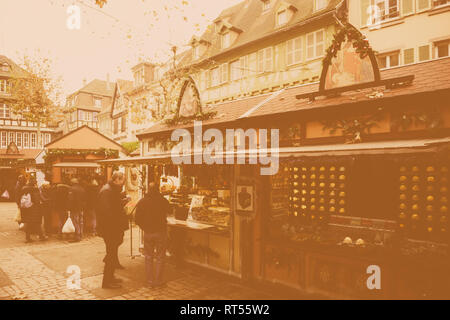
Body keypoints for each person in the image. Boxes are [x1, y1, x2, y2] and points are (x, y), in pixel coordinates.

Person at [96, 172, 130, 289]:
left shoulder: (111, 189)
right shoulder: (107, 191)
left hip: (112, 228)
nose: (123, 183)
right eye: (122, 181)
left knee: (112, 253)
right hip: (110, 229)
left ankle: (111, 277)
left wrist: (122, 201)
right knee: (111, 254)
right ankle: (107, 282)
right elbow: (107, 212)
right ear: (116, 180)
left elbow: (113, 206)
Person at [135, 181, 171, 288]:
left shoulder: (142, 201)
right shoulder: (163, 200)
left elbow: (137, 219)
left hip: (148, 233)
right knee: (160, 257)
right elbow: (170, 210)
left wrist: (144, 228)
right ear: (158, 189)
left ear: (148, 189)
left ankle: (150, 281)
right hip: (160, 232)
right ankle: (158, 281)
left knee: (148, 257)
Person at [20, 177, 47, 243]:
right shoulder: (35, 189)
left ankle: (28, 237)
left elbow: (20, 197)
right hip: (35, 208)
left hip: (27, 209)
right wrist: (45, 200)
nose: (36, 181)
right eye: (35, 180)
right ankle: (41, 236)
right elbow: (39, 199)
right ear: (32, 181)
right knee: (37, 223)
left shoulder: (24, 188)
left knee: (29, 223)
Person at [68, 178, 87, 242]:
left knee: (75, 222)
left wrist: (69, 208)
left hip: (74, 208)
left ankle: (77, 236)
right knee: (81, 222)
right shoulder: (82, 189)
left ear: (72, 183)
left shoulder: (71, 189)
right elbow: (85, 199)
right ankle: (81, 234)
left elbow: (70, 200)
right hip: (81, 208)